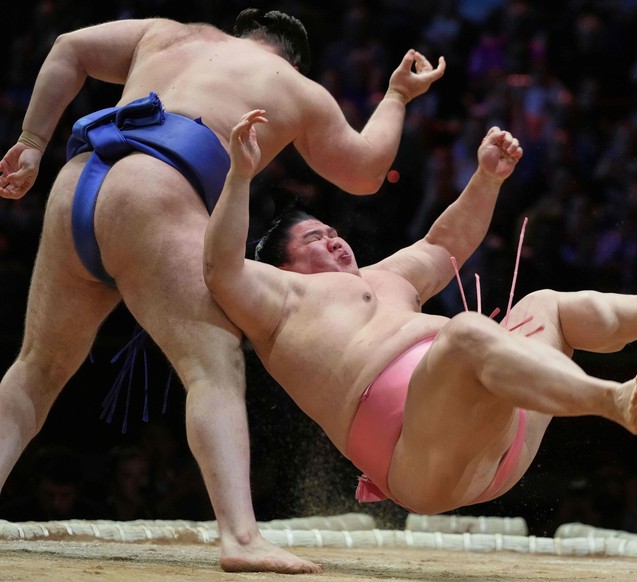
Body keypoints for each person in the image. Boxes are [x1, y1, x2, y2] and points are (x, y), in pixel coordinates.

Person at [0, 9, 445, 574]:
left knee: (36, 369)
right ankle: (240, 537)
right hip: (155, 188)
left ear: (242, 33)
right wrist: (397, 96)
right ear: (291, 57)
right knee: (212, 366)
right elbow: (366, 172)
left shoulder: (166, 33)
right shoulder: (295, 87)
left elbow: (68, 46)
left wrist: (33, 141)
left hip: (77, 179)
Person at [203, 110, 637, 516]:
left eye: (334, 232)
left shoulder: (386, 276)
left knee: (543, 306)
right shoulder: (280, 302)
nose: (336, 242)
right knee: (468, 333)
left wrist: (487, 178)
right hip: (419, 460)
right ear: (284, 265)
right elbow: (221, 268)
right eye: (317, 239)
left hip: (499, 436)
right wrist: (240, 177)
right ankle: (607, 398)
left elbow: (446, 241)